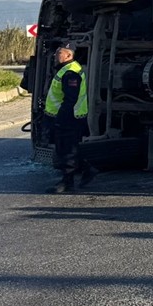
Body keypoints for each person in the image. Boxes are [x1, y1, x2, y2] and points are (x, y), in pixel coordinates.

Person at [43, 41, 95, 193]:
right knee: (66, 148)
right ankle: (88, 169)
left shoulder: (70, 72)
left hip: (69, 117)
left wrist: (61, 118)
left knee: (66, 150)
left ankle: (67, 183)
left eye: (59, 52)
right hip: (65, 116)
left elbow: (70, 99)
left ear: (68, 55)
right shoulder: (66, 69)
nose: (55, 55)